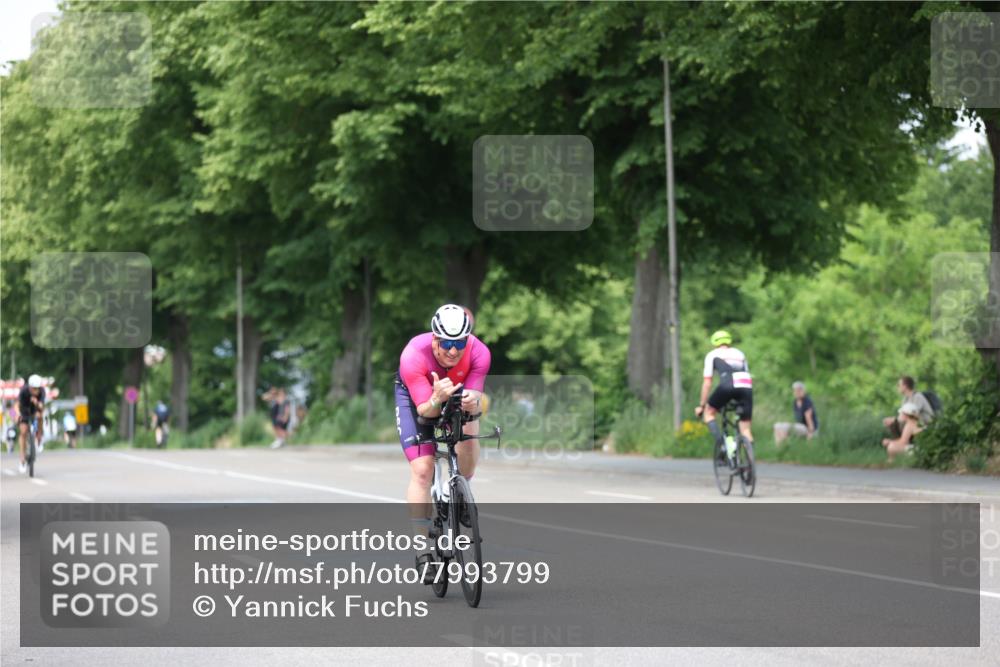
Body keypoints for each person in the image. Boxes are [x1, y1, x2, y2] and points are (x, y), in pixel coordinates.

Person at [395, 304, 490, 581]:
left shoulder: (480, 352)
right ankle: (422, 550)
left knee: (470, 429)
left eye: (459, 342)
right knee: (423, 470)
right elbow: (426, 410)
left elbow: (473, 397)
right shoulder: (414, 355)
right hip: (419, 399)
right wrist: (437, 398)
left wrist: (471, 400)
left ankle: (461, 492)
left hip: (454, 392)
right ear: (435, 337)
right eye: (446, 343)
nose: (452, 350)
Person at [694, 330, 753, 467]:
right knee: (745, 429)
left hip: (728, 384)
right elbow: (746, 373)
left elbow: (707, 382)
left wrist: (702, 405)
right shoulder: (740, 353)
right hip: (746, 385)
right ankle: (750, 466)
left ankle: (723, 446)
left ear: (714, 343)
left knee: (709, 413)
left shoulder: (712, 355)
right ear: (729, 341)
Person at [881, 375, 934, 461]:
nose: (897, 387)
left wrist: (890, 442)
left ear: (905, 386)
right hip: (913, 424)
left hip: (923, 424)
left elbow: (912, 415)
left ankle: (906, 447)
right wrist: (893, 420)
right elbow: (903, 416)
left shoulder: (918, 397)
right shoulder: (905, 399)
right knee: (892, 423)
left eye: (899, 385)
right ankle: (900, 446)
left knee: (892, 446)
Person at [774, 381, 819, 445]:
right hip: (800, 426)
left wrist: (811, 431)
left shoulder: (807, 401)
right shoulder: (795, 402)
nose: (797, 392)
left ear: (803, 391)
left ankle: (784, 448)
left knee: (783, 428)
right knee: (777, 426)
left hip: (808, 428)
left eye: (799, 390)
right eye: (795, 390)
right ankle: (781, 448)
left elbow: (808, 416)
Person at [17, 375, 46, 474]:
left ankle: (39, 437)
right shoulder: (23, 391)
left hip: (35, 410)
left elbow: (42, 406)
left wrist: (37, 402)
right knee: (23, 432)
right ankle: (22, 459)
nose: (36, 390)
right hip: (24, 411)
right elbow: (17, 406)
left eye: (37, 388)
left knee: (40, 416)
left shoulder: (42, 391)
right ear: (29, 387)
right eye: (34, 388)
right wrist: (17, 415)